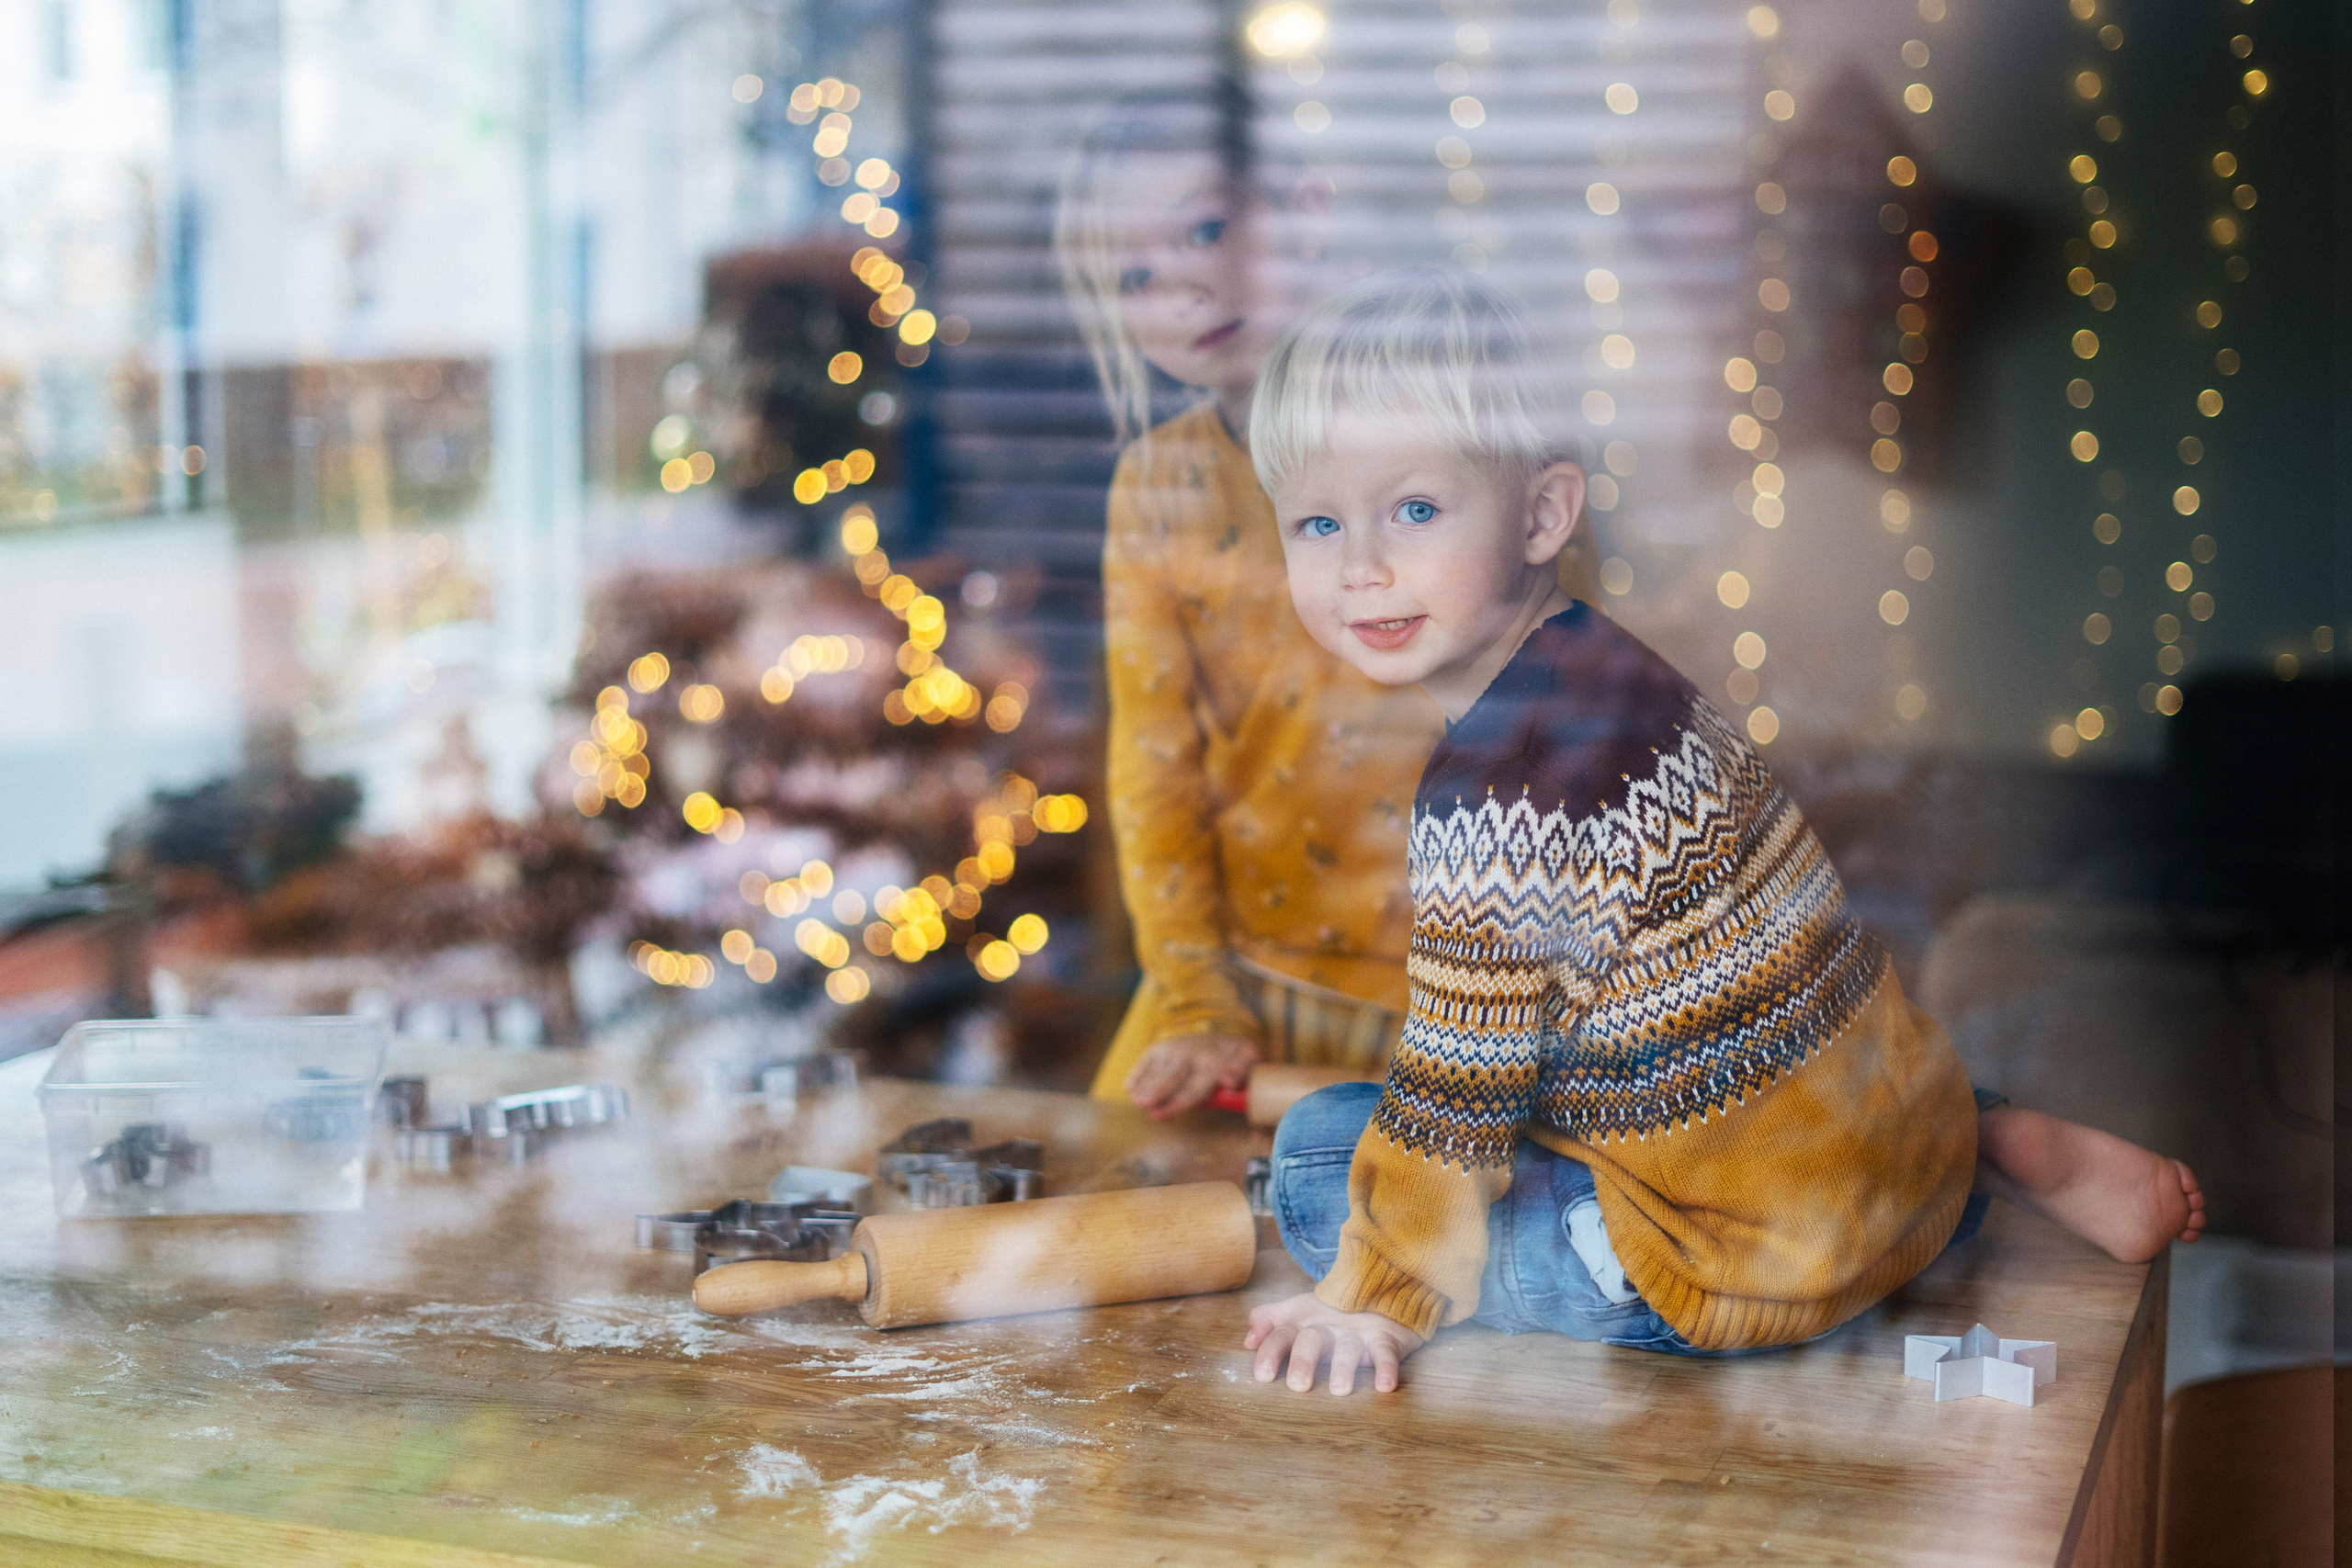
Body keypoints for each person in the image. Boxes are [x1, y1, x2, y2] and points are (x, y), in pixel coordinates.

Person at [1236, 270, 2207, 1395]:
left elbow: (1459, 1096)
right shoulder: (1622, 673)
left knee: (1315, 1160)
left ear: (1543, 515)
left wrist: (1379, 1292)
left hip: (1746, 1263)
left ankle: (1665, 1245)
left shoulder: (1498, 792)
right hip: (1896, 1156)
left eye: (1413, 511)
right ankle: (1981, 1141)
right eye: (1317, 523)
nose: (1359, 566)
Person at [1054, 87, 1600, 1114]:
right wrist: (1196, 999)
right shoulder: (1156, 485)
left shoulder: (1467, 427)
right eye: (1135, 276)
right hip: (1242, 1001)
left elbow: (1575, 719)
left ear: (1306, 210)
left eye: (1205, 231)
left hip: (1469, 1004)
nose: (1183, 288)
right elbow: (1155, 772)